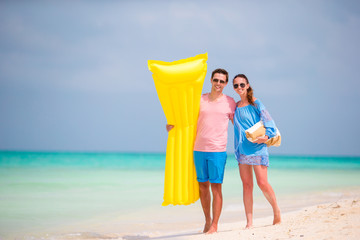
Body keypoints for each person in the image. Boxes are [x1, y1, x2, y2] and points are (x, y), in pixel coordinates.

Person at [167, 68, 236, 234]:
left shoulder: (229, 102)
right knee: (203, 187)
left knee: (216, 187)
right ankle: (207, 221)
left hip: (218, 151)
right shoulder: (200, 99)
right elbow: (187, 119)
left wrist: (256, 136)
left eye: (222, 81)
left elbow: (239, 125)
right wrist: (173, 126)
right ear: (211, 80)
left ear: (226, 83)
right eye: (216, 80)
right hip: (198, 149)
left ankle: (215, 225)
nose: (218, 83)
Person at [232, 73, 281, 229]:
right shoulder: (235, 106)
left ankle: (276, 212)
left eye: (241, 84)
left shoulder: (256, 102)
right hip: (242, 150)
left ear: (247, 85)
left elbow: (269, 121)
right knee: (247, 186)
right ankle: (249, 222)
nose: (239, 87)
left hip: (258, 148)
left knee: (262, 183)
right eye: (236, 85)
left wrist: (266, 136)